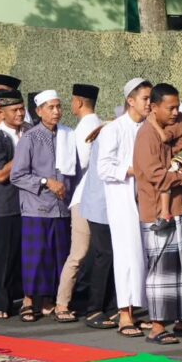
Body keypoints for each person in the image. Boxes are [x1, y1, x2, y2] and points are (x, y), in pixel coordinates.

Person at [133, 83, 182, 345]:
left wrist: (166, 129)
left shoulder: (169, 125)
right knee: (162, 271)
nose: (176, 112)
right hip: (158, 212)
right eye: (170, 108)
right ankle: (156, 327)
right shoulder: (146, 136)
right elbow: (156, 176)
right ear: (153, 107)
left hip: (181, 207)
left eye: (178, 107)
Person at [9, 90, 79, 321]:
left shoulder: (68, 135)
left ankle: (49, 300)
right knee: (36, 257)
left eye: (59, 106)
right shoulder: (30, 138)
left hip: (62, 207)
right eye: (51, 107)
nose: (57, 111)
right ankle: (28, 301)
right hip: (36, 207)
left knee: (59, 256)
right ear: (39, 111)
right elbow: (17, 175)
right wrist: (45, 182)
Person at [97, 78, 152, 337]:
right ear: (131, 100)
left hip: (146, 199)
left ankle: (140, 310)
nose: (149, 104)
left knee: (143, 257)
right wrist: (132, 170)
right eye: (145, 99)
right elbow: (104, 168)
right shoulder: (114, 129)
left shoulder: (149, 127)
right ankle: (124, 314)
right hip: (122, 200)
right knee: (126, 257)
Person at [54, 84, 101, 321]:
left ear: (79, 102)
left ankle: (62, 303)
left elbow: (79, 165)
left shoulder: (83, 128)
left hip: (84, 196)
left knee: (78, 253)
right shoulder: (98, 124)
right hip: (96, 197)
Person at [0, 89, 27, 319]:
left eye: (22, 109)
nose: (20, 114)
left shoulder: (29, 132)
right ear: (1, 111)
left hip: (31, 204)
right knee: (3, 256)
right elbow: (0, 175)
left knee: (25, 255)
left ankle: (27, 299)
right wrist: (23, 151)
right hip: (5, 206)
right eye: (15, 110)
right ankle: (0, 302)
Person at [79, 125, 117, 329]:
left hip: (113, 205)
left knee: (114, 256)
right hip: (100, 203)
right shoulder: (110, 133)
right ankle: (94, 308)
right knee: (104, 254)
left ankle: (112, 307)